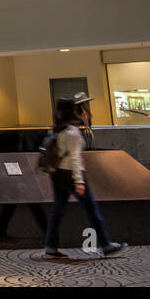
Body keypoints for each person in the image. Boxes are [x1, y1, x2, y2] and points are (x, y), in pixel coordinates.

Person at [44, 97, 127, 259]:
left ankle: (50, 247)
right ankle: (106, 244)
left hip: (58, 175)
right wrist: (79, 181)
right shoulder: (72, 132)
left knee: (57, 211)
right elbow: (75, 158)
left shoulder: (58, 128)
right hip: (71, 175)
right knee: (91, 209)